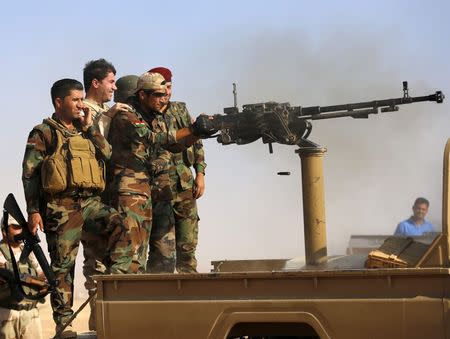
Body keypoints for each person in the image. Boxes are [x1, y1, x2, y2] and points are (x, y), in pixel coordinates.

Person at [22, 78, 132, 338]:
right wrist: (33, 210)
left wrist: (91, 128)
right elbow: (30, 174)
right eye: (75, 99)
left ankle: (115, 281)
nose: (81, 105)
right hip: (61, 207)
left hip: (91, 203)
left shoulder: (86, 130)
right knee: (63, 267)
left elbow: (107, 154)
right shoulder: (44, 132)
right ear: (59, 102)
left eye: (82, 99)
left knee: (120, 224)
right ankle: (64, 323)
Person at [107, 71, 208, 273]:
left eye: (165, 93)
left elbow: (173, 147)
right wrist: (192, 130)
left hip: (158, 191)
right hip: (132, 193)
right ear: (142, 95)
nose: (164, 99)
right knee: (134, 255)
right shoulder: (127, 115)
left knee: (165, 254)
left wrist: (198, 133)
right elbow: (152, 138)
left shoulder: (157, 115)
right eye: (158, 95)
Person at [81, 59, 132, 331]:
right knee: (96, 266)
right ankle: (99, 326)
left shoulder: (104, 110)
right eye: (111, 82)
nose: (114, 87)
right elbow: (98, 145)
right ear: (95, 82)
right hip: (91, 197)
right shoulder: (83, 110)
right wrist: (109, 116)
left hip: (110, 195)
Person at [146, 67, 206, 273]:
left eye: (169, 87)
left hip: (184, 184)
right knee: (161, 250)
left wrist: (200, 173)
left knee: (188, 245)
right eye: (162, 89)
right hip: (158, 189)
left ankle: (189, 293)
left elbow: (196, 143)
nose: (167, 93)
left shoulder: (179, 109)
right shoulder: (143, 114)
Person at [0, 215, 44, 339]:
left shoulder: (29, 251)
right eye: (15, 227)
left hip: (31, 314)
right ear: (4, 231)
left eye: (21, 227)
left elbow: (42, 275)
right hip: (6, 315)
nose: (20, 231)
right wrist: (31, 280)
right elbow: (5, 274)